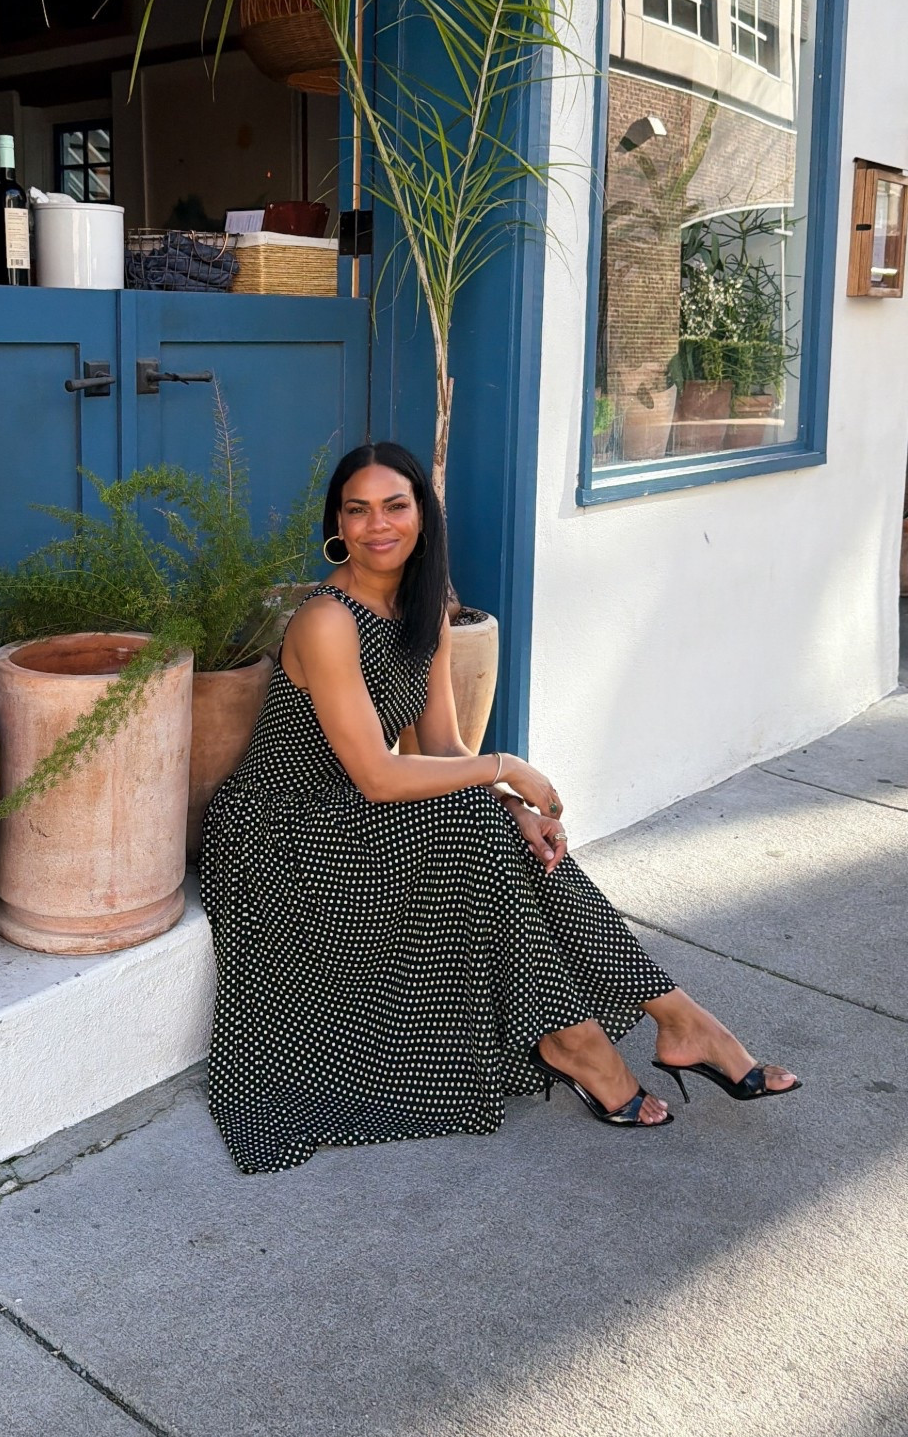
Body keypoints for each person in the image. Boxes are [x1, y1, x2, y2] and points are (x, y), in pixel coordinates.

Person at [199, 441, 799, 1174]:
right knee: (479, 818)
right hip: (280, 829)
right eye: (357, 510)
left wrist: (512, 805)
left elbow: (444, 745)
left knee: (505, 830)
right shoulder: (326, 620)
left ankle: (659, 1021)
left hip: (350, 809)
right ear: (337, 524)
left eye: (395, 505)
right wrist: (508, 769)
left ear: (424, 516)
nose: (376, 525)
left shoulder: (425, 609)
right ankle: (617, 1034)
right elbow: (380, 776)